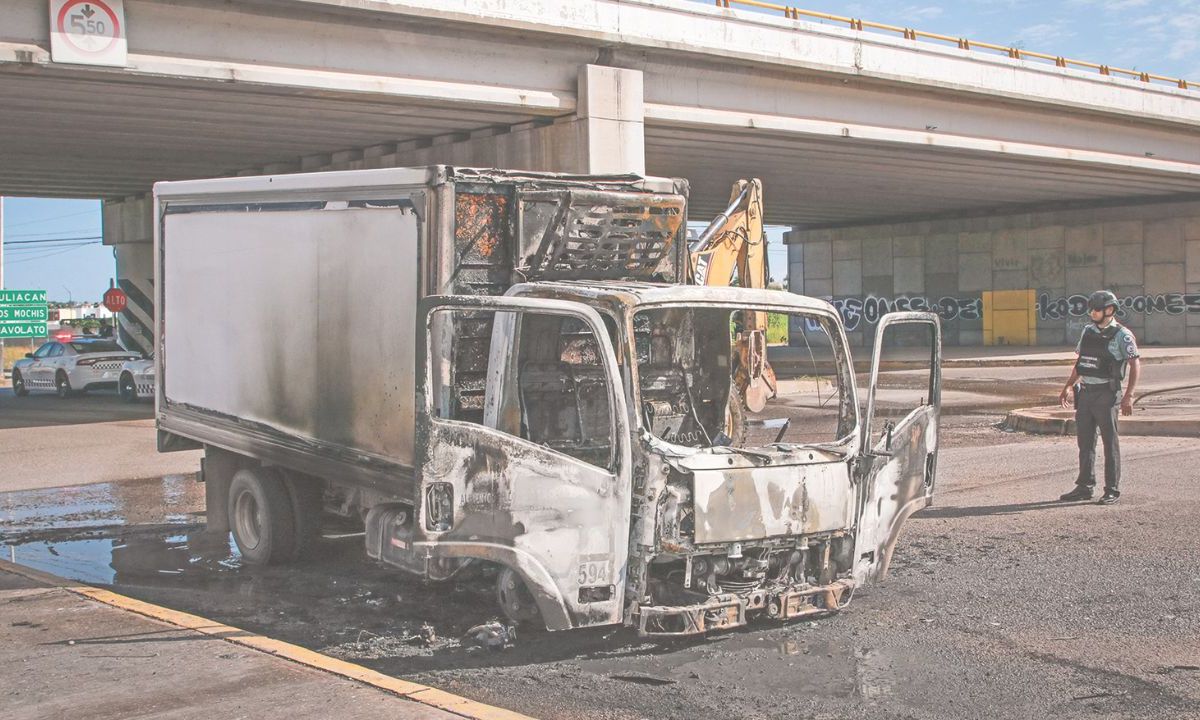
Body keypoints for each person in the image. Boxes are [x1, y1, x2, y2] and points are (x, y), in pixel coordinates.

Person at [1057, 290, 1141, 505]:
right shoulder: (1087, 331)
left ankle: (1111, 489)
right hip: (1085, 394)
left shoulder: (1123, 335)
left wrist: (1128, 396)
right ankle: (1084, 486)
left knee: (1109, 442)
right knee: (1085, 441)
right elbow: (1082, 362)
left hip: (1107, 393)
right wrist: (1068, 386)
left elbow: (1134, 363)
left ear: (1109, 310)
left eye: (1096, 309)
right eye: (1091, 309)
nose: (1092, 312)